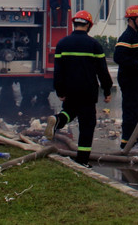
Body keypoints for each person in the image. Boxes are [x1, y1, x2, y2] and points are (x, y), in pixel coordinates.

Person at [44, 10, 113, 165]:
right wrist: (107, 90)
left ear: (74, 24)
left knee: (69, 112)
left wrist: (60, 90)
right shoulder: (94, 45)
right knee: (87, 125)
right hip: (88, 91)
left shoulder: (62, 44)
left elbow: (58, 71)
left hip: (70, 90)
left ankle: (57, 120)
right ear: (88, 25)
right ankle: (82, 161)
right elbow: (102, 71)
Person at [113, 5, 138, 148]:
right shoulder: (126, 37)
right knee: (130, 107)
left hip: (135, 77)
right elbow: (118, 57)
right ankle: (127, 140)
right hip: (127, 78)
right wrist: (137, 63)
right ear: (131, 20)